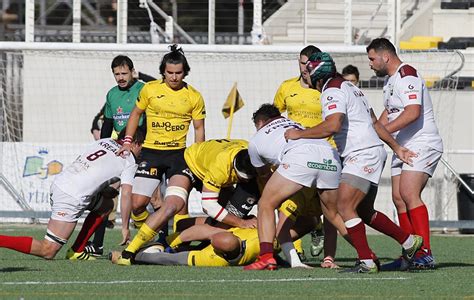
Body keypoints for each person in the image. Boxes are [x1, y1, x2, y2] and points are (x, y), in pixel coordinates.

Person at [284, 52, 423, 273]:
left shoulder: (332, 90)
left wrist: (299, 134)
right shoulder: (351, 88)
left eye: (308, 70)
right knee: (365, 211)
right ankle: (408, 241)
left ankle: (366, 261)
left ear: (317, 73)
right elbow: (375, 122)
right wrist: (395, 148)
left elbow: (333, 126)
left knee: (344, 206)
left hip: (362, 154)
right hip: (371, 152)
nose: (305, 75)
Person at [112, 44, 206, 266]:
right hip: (152, 153)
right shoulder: (150, 90)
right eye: (170, 72)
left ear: (185, 72)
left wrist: (198, 157)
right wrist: (127, 141)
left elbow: (199, 129)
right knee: (137, 204)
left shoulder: (193, 96)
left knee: (178, 204)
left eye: (178, 73)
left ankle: (176, 242)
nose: (174, 77)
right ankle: (153, 235)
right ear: (163, 71)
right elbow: (136, 114)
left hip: (179, 156)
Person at [111, 138, 259, 266]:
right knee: (172, 206)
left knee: (227, 220)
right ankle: (130, 251)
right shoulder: (220, 167)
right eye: (241, 178)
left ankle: (176, 236)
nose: (244, 181)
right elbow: (209, 206)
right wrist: (241, 223)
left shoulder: (252, 157)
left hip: (208, 165)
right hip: (189, 162)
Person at [0, 130, 144, 260]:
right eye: (142, 146)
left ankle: (77, 250)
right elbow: (126, 194)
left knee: (106, 205)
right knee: (48, 250)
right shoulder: (129, 160)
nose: (141, 151)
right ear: (134, 144)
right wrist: (125, 227)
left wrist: (100, 189)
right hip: (70, 197)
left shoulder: (104, 141)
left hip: (60, 183)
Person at [367, 38, 443, 270]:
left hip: (423, 142)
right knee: (399, 199)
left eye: (372, 59)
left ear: (385, 57)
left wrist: (383, 132)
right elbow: (388, 115)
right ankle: (410, 253)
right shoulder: (390, 82)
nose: (369, 64)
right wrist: (371, 134)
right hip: (402, 144)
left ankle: (426, 253)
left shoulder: (406, 74)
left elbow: (412, 113)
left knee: (409, 194)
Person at [243, 104, 347, 271]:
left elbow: (264, 175)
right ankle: (364, 254)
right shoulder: (296, 124)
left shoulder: (256, 139)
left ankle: (266, 257)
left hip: (300, 163)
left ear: (260, 122)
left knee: (265, 204)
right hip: (330, 157)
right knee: (333, 215)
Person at [273, 45, 338, 264]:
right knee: (287, 202)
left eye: (309, 64)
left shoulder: (325, 90)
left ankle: (328, 252)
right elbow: (274, 117)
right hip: (296, 155)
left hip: (324, 154)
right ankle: (296, 250)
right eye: (302, 63)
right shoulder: (286, 87)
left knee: (329, 208)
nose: (305, 68)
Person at [85, 55, 149, 257]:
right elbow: (108, 124)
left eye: (124, 73)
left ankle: (159, 240)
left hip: (142, 148)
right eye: (117, 74)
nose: (120, 77)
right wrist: (103, 147)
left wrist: (141, 144)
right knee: (107, 194)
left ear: (132, 72)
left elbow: (148, 119)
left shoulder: (142, 89)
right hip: (120, 150)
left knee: (150, 199)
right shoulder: (112, 94)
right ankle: (97, 244)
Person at [113, 224, 261, 267]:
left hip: (207, 254)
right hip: (229, 235)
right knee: (186, 223)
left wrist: (136, 257)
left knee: (172, 256)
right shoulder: (255, 237)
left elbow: (171, 260)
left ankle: (134, 253)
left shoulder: (213, 259)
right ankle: (166, 243)